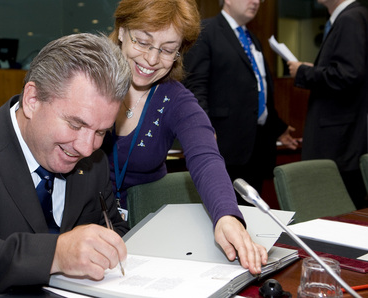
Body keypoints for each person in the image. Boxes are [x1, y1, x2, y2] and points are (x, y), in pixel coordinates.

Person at [0, 33, 132, 297]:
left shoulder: (94, 162)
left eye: (101, 132)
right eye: (76, 124)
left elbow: (113, 229)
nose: (86, 148)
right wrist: (56, 254)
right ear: (32, 100)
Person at [102, 0, 268, 275]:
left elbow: (206, 158)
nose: (152, 59)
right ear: (121, 31)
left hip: (144, 232)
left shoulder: (175, 99)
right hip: (75, 220)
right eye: (143, 42)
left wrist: (227, 216)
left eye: (168, 50)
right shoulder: (88, 77)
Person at [183, 0, 300, 204]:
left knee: (253, 216)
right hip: (224, 146)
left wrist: (277, 127)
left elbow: (256, 91)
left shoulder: (252, 39)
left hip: (257, 148)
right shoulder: (206, 32)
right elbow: (196, 86)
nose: (256, 2)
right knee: (226, 215)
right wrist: (203, 129)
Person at [287, 0, 368, 209]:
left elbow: (348, 75)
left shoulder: (350, 18)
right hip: (345, 137)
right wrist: (315, 68)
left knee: (342, 214)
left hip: (341, 141)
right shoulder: (351, 17)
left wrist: (304, 72)